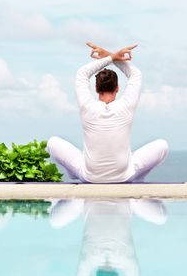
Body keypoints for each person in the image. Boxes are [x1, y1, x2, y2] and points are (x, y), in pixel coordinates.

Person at [46, 42, 169, 183]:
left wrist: (109, 58)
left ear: (96, 88)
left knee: (52, 142)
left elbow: (82, 74)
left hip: (89, 176)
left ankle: (73, 173)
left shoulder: (88, 106)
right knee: (162, 145)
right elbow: (135, 75)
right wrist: (112, 55)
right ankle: (138, 178)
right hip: (124, 176)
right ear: (117, 88)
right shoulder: (126, 105)